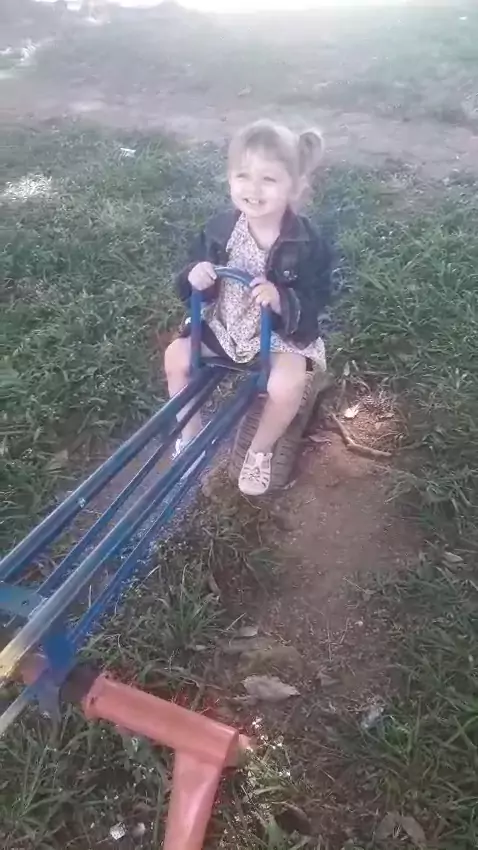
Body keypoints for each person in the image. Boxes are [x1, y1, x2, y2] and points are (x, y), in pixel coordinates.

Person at [164, 119, 333, 496]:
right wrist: (195, 276)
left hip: (277, 335)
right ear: (229, 179)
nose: (253, 190)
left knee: (288, 383)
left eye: (268, 179)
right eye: (243, 176)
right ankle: (190, 436)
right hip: (225, 324)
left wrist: (282, 299)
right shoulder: (219, 229)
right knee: (176, 357)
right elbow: (191, 280)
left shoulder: (307, 242)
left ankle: (260, 450)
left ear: (295, 187)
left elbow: (319, 297)